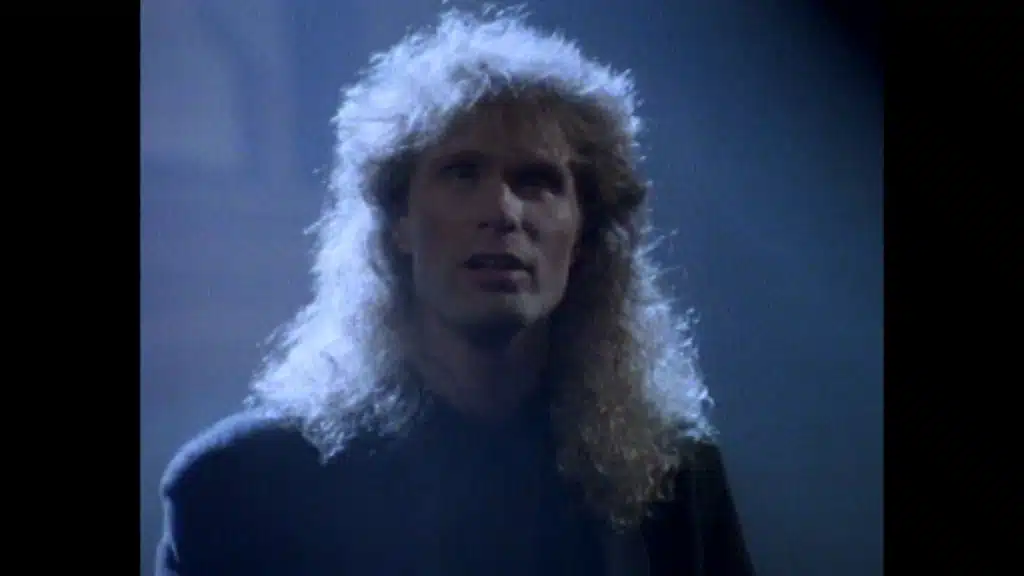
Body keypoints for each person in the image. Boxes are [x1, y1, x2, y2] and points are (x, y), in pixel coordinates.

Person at [156, 9, 755, 576]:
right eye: (463, 173)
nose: (503, 211)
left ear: (584, 236)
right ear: (399, 222)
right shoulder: (241, 488)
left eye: (537, 181)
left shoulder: (669, 481)